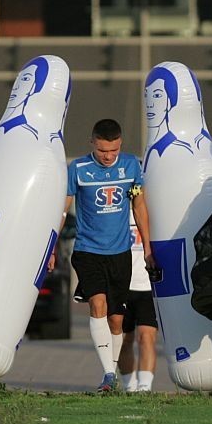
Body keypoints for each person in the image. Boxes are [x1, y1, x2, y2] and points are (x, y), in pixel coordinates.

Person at [65, 119, 154, 392]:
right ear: (93, 143)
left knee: (116, 320)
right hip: (88, 250)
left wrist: (148, 249)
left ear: (120, 145)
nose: (109, 156)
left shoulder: (131, 166)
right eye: (103, 150)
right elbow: (63, 207)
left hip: (120, 254)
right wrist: (51, 246)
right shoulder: (78, 169)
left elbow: (139, 205)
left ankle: (112, 371)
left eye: (114, 150)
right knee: (98, 304)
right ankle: (107, 374)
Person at [117, 217, 158, 392]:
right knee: (124, 340)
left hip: (147, 286)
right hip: (122, 285)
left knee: (146, 337)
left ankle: (144, 387)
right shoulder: (121, 208)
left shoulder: (153, 207)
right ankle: (129, 386)